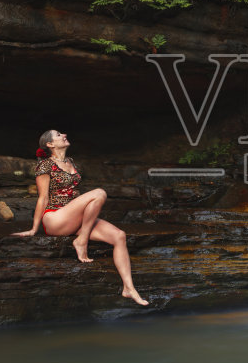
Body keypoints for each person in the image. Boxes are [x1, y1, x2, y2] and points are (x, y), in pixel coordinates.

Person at [12, 128, 148, 306]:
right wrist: (34, 229)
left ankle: (128, 288)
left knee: (119, 236)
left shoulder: (71, 162)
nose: (64, 135)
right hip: (55, 218)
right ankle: (81, 240)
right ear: (50, 144)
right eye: (59, 135)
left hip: (73, 217)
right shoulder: (45, 165)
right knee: (99, 193)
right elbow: (43, 197)